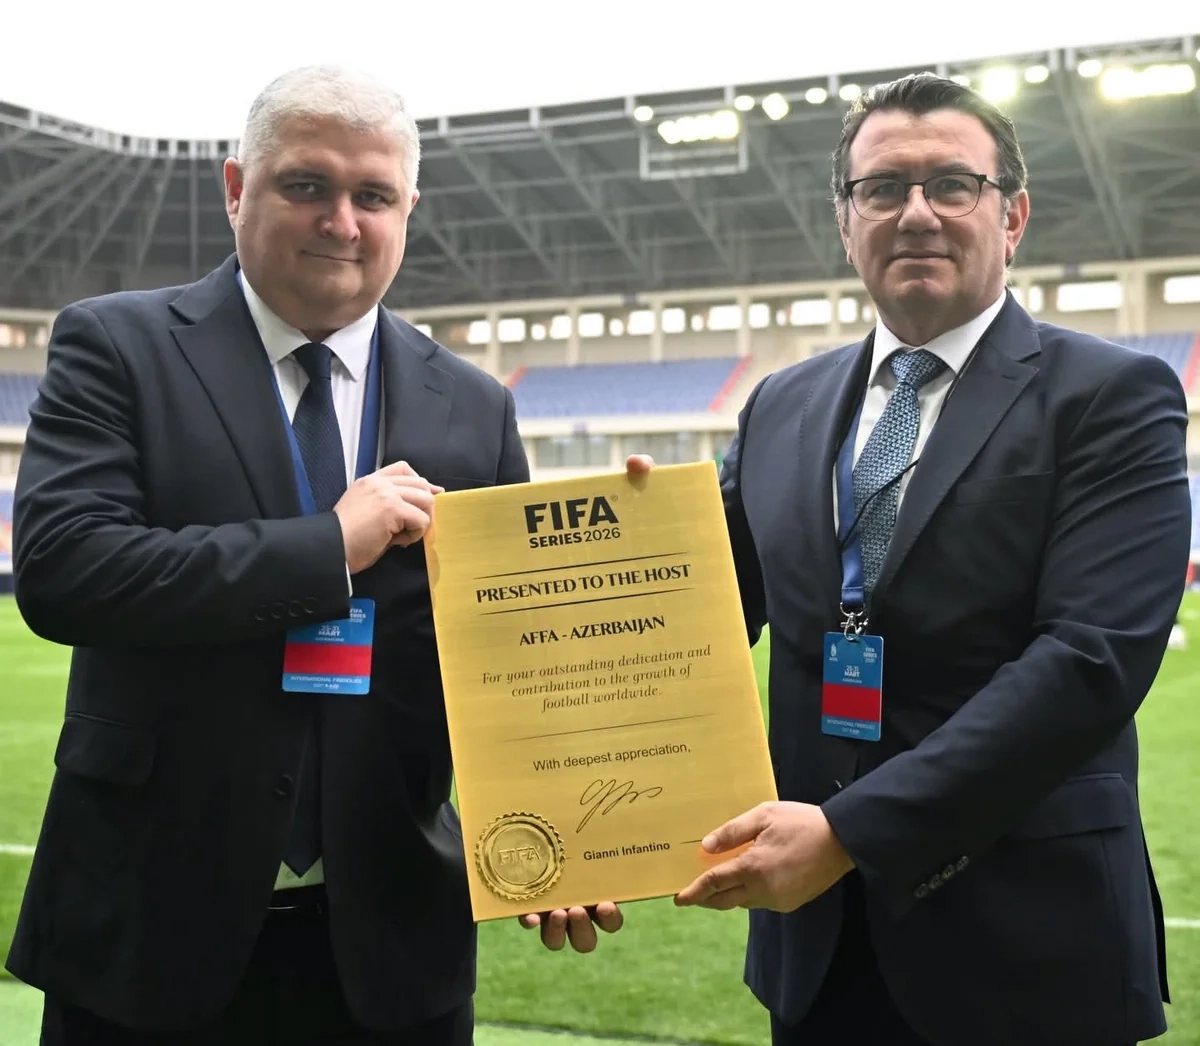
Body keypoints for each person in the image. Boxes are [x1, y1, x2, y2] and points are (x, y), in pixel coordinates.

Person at [5, 65, 610, 1046]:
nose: (342, 221)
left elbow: (508, 661)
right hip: (149, 927)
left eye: (374, 195)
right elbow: (67, 570)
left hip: (391, 945)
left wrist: (567, 834)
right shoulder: (117, 345)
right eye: (306, 185)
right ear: (236, 188)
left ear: (408, 210)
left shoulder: (473, 404)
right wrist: (329, 544)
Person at [639, 73, 1188, 1045]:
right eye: (884, 188)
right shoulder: (781, 405)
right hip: (818, 948)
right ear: (846, 220)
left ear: (1011, 215)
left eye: (953, 184)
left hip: (1026, 940)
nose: (917, 212)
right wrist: (629, 536)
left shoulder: (1110, 396)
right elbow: (691, 619)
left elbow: (1090, 661)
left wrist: (851, 833)